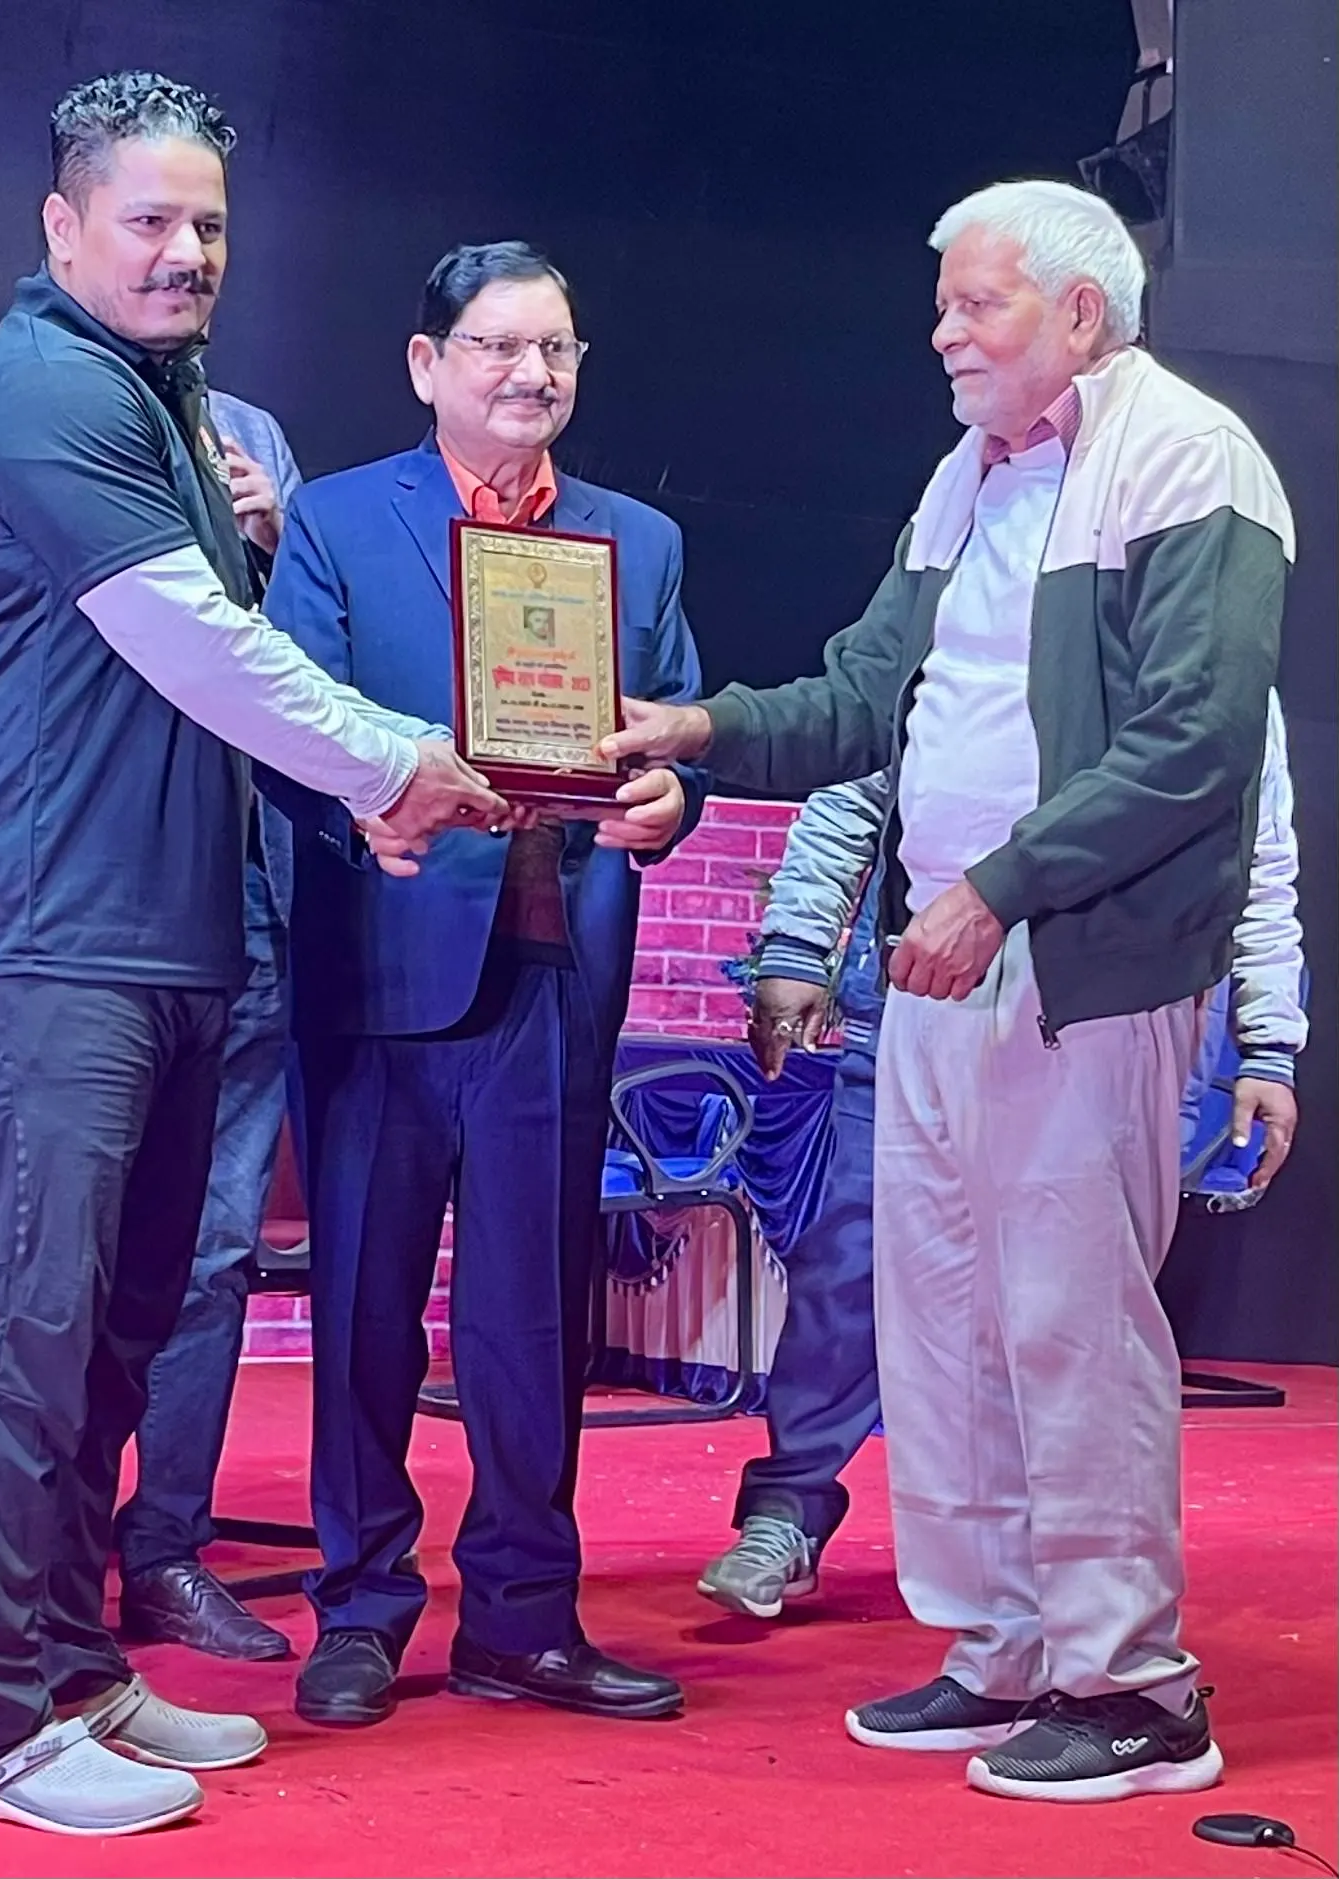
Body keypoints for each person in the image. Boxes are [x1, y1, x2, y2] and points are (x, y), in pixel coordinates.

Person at [602, 180, 1292, 1802]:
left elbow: (1192, 745)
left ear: (1078, 310)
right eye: (942, 306)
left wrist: (998, 889)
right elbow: (868, 692)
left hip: (1083, 969)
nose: (942, 334)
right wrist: (705, 728)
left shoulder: (1190, 457)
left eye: (976, 303)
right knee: (945, 1319)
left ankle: (1132, 1684)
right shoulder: (963, 475)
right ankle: (1000, 1645)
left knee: (1068, 1320)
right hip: (935, 960)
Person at [0, 72, 503, 1838]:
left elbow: (220, 685)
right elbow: (193, 643)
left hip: (172, 940)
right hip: (53, 939)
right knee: (34, 1331)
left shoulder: (161, 402)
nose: (185, 251)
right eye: (149, 219)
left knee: (121, 1331)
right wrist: (393, 763)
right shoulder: (37, 391)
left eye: (210, 224)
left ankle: (76, 1664)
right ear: (62, 226)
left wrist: (348, 800)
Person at [262, 241, 707, 1730]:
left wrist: (669, 805)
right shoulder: (336, 522)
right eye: (498, 346)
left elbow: (671, 736)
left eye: (555, 349)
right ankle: (360, 1606)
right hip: (383, 961)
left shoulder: (635, 541)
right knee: (364, 1313)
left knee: (530, 1320)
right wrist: (367, 809)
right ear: (425, 364)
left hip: (550, 970)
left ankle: (523, 1614)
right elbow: (286, 730)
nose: (531, 374)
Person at [698, 688, 1305, 1622]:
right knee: (851, 1266)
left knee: (1075, 1303)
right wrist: (794, 947)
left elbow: (1256, 858)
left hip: (1104, 1013)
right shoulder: (951, 614)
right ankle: (788, 1507)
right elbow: (855, 786)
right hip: (922, 990)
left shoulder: (1204, 659)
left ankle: (1053, 1567)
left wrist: (1265, 1044)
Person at [0, 391, 309, 1664]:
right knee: (46, 1276)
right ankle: (8, 1663)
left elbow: (306, 679)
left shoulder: (250, 436)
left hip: (236, 904)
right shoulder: (15, 420)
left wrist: (272, 557)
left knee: (205, 1253)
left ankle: (159, 1556)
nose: (178, 280)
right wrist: (123, 626)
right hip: (75, 913)